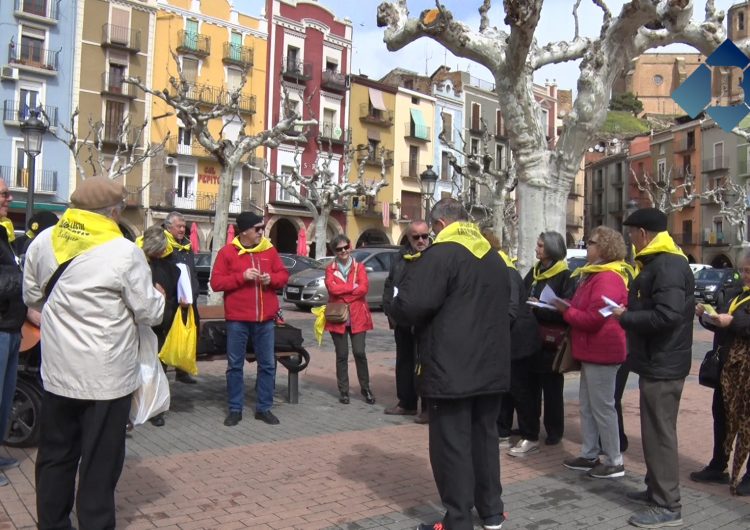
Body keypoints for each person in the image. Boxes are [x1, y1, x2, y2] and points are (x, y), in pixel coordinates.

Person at [23, 176, 165, 529]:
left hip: (57, 373)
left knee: (55, 456)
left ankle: (52, 524)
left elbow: (32, 297)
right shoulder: (123, 251)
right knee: (100, 463)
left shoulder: (45, 241)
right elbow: (150, 311)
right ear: (113, 212)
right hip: (106, 378)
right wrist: (159, 294)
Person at [390, 198, 510, 530]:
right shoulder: (493, 256)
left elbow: (411, 305)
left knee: (452, 446)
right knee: (485, 440)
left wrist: (396, 303)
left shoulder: (441, 255)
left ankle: (458, 519)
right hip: (491, 365)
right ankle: (491, 511)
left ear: (441, 225)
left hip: (452, 368)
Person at [612, 207, 693, 528]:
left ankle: (668, 504)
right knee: (655, 431)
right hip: (658, 360)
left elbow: (667, 315)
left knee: (660, 434)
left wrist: (626, 317)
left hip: (664, 362)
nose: (630, 240)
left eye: (631, 234)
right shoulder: (662, 263)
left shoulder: (668, 266)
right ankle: (655, 488)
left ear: (643, 234)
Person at [553, 226, 630, 479]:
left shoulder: (607, 277)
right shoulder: (594, 274)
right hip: (592, 350)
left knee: (603, 407)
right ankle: (589, 453)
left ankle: (614, 460)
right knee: (588, 405)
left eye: (592, 242)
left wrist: (566, 311)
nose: (588, 245)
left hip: (603, 351)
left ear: (605, 247)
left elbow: (594, 318)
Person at [210, 212, 289, 426]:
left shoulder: (269, 250)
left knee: (267, 365)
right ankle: (235, 409)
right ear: (244, 231)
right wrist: (241, 277)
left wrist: (271, 279)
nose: (261, 232)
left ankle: (264, 408)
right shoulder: (228, 252)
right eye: (257, 228)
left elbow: (283, 276)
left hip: (265, 320)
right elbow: (216, 283)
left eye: (262, 228)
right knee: (235, 365)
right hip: (238, 320)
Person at [693, 250, 750, 496]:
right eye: (744, 270)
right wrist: (707, 317)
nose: (746, 275)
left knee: (747, 421)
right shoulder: (737, 292)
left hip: (747, 371)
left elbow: (740, 324)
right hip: (728, 368)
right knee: (722, 416)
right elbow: (722, 323)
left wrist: (731, 322)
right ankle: (718, 465)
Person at [514, 231, 573, 456]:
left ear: (551, 249)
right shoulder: (535, 272)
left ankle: (554, 430)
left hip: (550, 342)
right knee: (529, 387)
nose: (536, 249)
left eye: (540, 246)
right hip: (530, 338)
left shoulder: (565, 276)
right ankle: (529, 425)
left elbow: (567, 310)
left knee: (551, 389)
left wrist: (541, 307)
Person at [481, 229, 542, 449]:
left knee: (521, 390)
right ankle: (502, 431)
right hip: (507, 340)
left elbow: (511, 308)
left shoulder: (505, 270)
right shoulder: (495, 267)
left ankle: (530, 435)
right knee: (505, 389)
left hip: (519, 342)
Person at [138, 225, 191, 427]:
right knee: (140, 367)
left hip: (162, 323)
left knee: (158, 367)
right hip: (142, 324)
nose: (162, 251)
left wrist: (182, 298)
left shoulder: (169, 266)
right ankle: (138, 406)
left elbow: (179, 292)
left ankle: (155, 409)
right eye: (159, 248)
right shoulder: (138, 262)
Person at [382, 220, 430, 420]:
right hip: (403, 320)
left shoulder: (435, 257)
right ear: (408, 238)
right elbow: (390, 284)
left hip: (426, 321)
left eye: (424, 236)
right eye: (416, 237)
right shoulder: (400, 258)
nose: (421, 241)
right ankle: (407, 402)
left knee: (426, 364)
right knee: (404, 362)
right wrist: (390, 312)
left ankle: (427, 407)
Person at [324, 234, 375, 405]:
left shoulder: (359, 267)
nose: (344, 251)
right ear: (334, 251)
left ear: (350, 247)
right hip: (337, 317)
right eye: (339, 249)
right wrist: (351, 288)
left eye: (346, 247)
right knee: (342, 355)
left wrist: (344, 293)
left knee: (360, 353)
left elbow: (363, 288)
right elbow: (332, 289)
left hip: (358, 316)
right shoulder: (330, 269)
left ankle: (365, 388)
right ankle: (344, 391)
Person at [0, 180, 24, 488]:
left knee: (5, 399)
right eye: (3, 194)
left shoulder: (4, 232)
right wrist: (23, 283)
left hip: (11, 327)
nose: (9, 198)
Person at [163, 211, 199, 384]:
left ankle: (182, 370)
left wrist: (195, 290)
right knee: (167, 337)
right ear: (169, 227)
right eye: (179, 226)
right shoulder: (163, 244)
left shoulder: (187, 245)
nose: (182, 230)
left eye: (184, 226)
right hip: (171, 301)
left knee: (187, 335)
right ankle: (162, 373)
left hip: (189, 300)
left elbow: (191, 271)